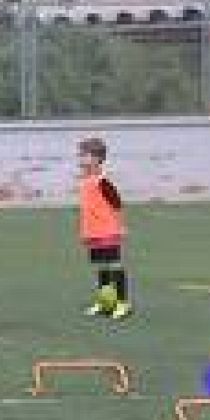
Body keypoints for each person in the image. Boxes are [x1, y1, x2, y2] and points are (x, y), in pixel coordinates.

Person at [77, 137, 132, 320]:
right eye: (80, 155)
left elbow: (116, 204)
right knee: (101, 268)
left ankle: (123, 304)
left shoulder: (103, 181)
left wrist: (120, 226)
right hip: (93, 234)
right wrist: (85, 232)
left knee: (114, 266)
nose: (81, 159)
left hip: (108, 231)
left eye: (85, 155)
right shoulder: (85, 181)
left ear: (97, 159)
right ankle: (106, 303)